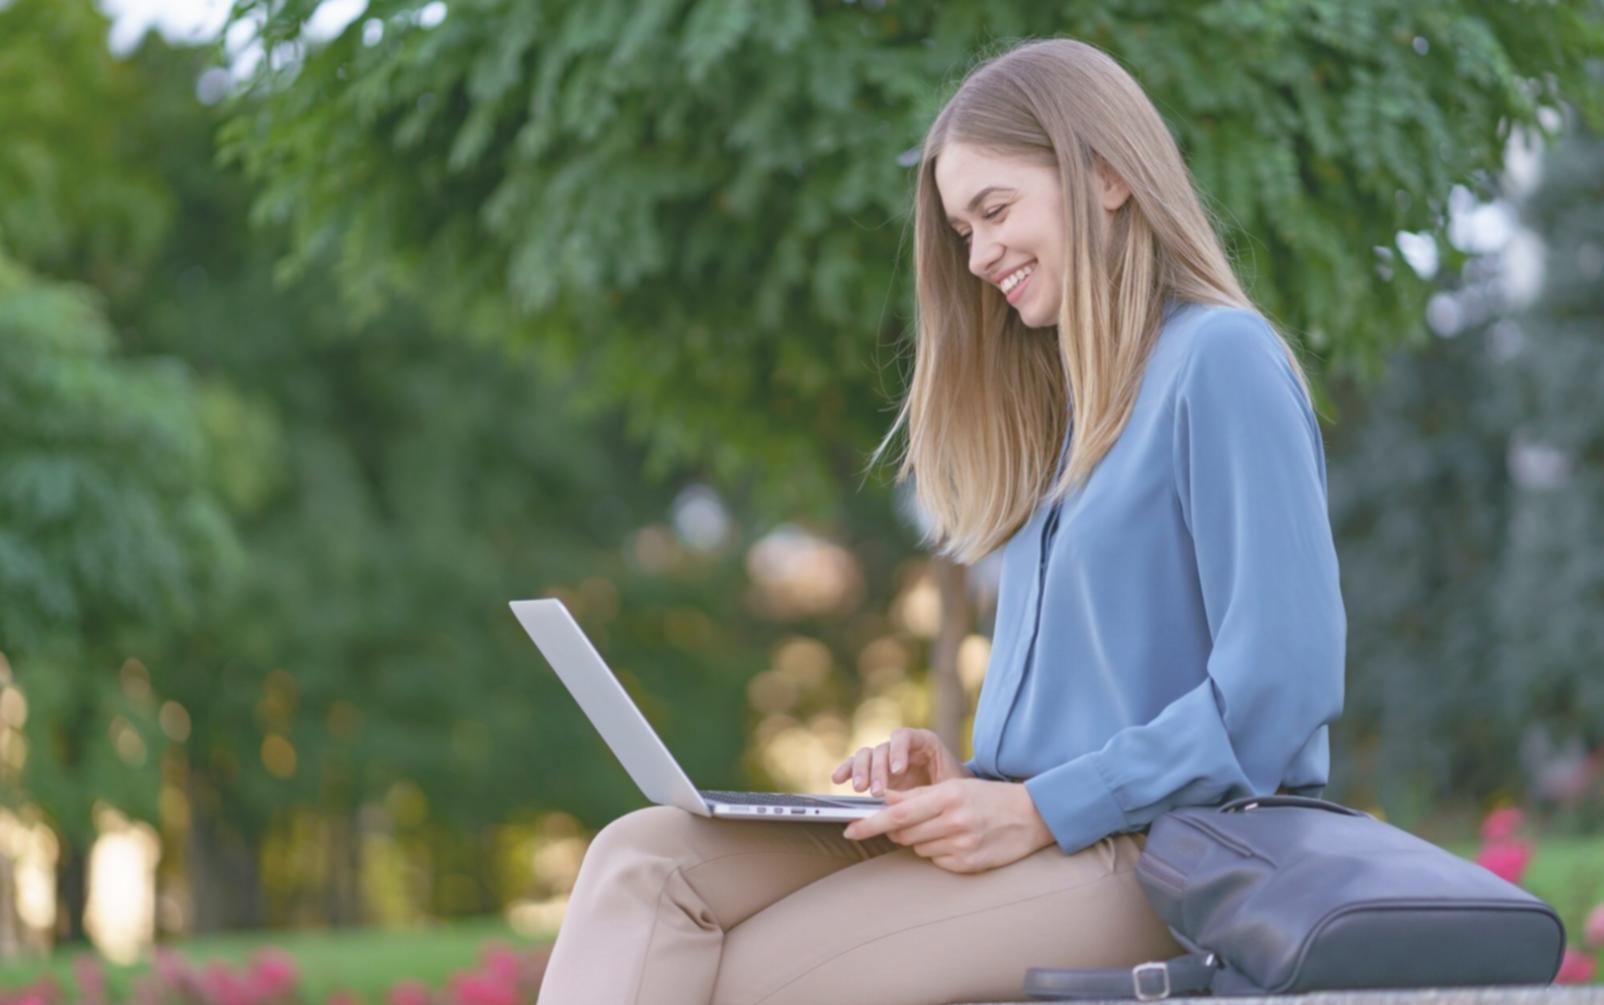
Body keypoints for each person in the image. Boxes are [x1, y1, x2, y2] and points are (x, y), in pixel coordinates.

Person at [535, 36, 1345, 1005]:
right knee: (643, 859)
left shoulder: (1220, 361)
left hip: (1163, 857)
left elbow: (1279, 687)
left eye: (994, 211)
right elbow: (1095, 700)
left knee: (749, 977)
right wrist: (963, 777)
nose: (977, 256)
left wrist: (1040, 806)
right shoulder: (1064, 412)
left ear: (1106, 177)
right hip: (1040, 826)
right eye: (962, 229)